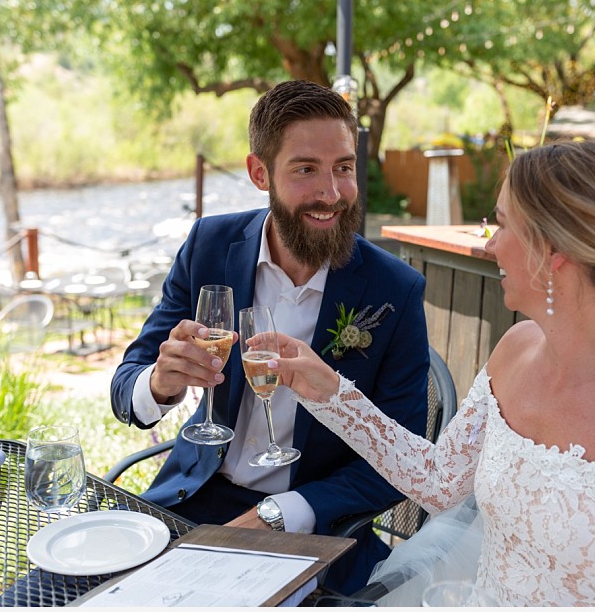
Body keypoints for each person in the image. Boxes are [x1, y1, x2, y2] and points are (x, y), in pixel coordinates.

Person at [265, 139, 595, 606]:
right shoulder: (515, 352)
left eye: (501, 225)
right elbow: (439, 482)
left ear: (552, 249)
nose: (489, 246)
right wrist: (327, 391)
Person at [109, 80, 430, 595]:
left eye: (343, 168)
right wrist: (160, 383)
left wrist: (282, 513)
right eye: (306, 169)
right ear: (260, 173)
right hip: (193, 501)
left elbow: (405, 456)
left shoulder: (395, 291)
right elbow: (126, 388)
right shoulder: (208, 245)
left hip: (314, 522)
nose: (331, 193)